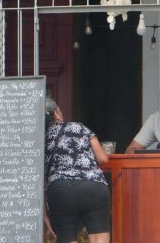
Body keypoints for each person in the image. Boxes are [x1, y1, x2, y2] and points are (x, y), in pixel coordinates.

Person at [44, 97, 110, 243]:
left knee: (67, 237)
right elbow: (103, 159)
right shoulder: (78, 127)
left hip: (61, 191)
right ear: (56, 114)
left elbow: (35, 180)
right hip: (93, 186)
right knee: (99, 237)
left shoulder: (37, 140)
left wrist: (44, 214)